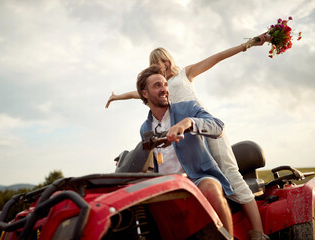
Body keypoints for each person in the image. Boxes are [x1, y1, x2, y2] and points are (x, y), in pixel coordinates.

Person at [106, 35, 271, 240]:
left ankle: (258, 233)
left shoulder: (185, 74)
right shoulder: (152, 102)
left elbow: (217, 57)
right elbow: (135, 94)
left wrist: (246, 45)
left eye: (165, 60)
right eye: (158, 62)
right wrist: (115, 97)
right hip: (181, 142)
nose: (163, 65)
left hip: (203, 127)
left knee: (229, 173)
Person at [137, 64, 234, 237]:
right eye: (157, 85)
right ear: (145, 94)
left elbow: (218, 126)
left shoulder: (188, 108)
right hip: (166, 187)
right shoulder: (145, 128)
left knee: (211, 188)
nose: (164, 89)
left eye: (165, 84)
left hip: (196, 178)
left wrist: (189, 122)